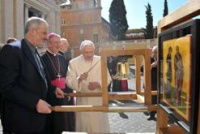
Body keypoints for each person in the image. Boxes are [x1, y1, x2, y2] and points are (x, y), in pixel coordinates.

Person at [0, 17, 64, 134]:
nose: (46, 37)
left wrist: (52, 89)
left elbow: (39, 78)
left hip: (38, 122)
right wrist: (35, 102)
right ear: (33, 31)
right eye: (44, 33)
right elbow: (7, 87)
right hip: (21, 122)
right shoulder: (12, 50)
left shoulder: (35, 51)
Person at [66, 40, 110, 133]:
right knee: (84, 125)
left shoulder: (100, 60)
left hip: (98, 99)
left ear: (94, 50)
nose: (89, 55)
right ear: (81, 51)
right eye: (86, 52)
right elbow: (69, 81)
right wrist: (79, 79)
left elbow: (108, 78)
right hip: (83, 99)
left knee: (99, 126)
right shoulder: (73, 63)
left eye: (91, 52)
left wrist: (98, 83)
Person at [42, 33, 73, 133]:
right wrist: (53, 89)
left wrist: (68, 91)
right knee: (54, 123)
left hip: (63, 93)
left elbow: (65, 76)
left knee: (65, 121)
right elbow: (43, 79)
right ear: (48, 44)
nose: (58, 44)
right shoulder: (42, 58)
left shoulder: (61, 57)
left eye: (59, 42)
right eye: (56, 42)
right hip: (51, 95)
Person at [59, 37, 75, 131]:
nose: (67, 45)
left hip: (67, 87)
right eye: (65, 43)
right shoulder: (59, 56)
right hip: (63, 89)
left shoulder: (64, 56)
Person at [146, 46, 158, 121]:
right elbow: (142, 69)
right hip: (151, 83)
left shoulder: (162, 59)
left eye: (155, 52)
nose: (153, 54)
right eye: (153, 52)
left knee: (159, 99)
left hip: (160, 82)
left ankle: (160, 114)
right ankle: (152, 115)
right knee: (152, 99)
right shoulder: (149, 59)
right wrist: (151, 65)